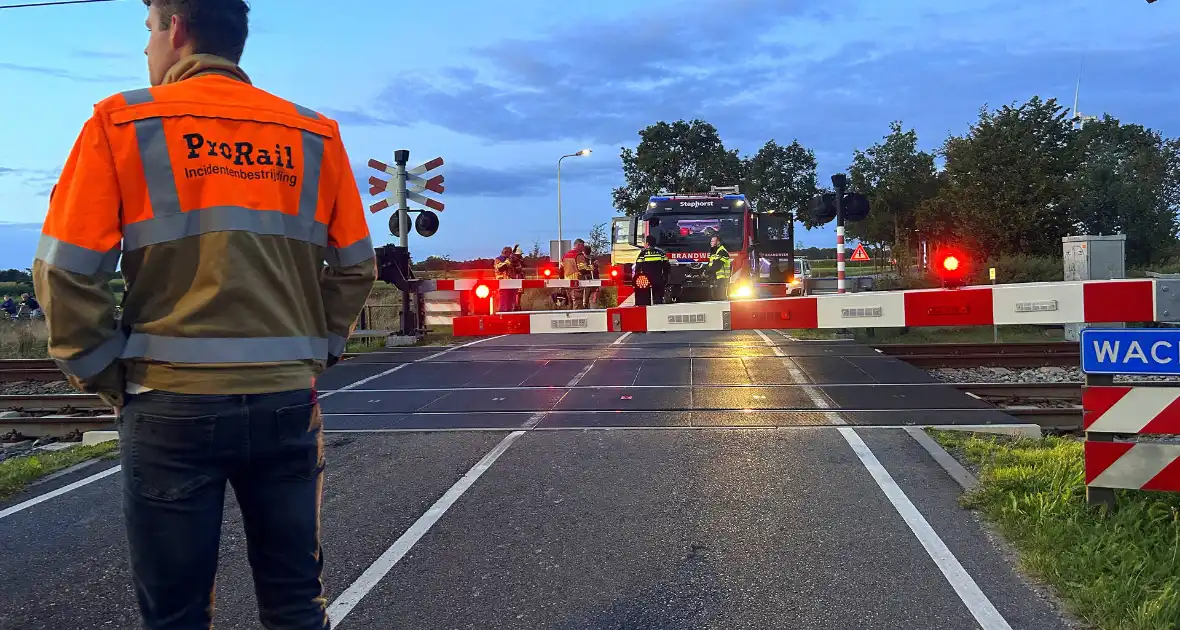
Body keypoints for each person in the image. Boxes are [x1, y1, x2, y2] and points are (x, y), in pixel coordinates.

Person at [31, 1, 375, 628]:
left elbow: (63, 270)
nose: (146, 50)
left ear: (178, 31)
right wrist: (317, 348)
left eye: (149, 31)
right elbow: (355, 267)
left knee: (178, 616)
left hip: (169, 406)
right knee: (297, 602)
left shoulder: (123, 124)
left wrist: (105, 374)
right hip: (285, 404)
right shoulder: (313, 134)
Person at [633, 235, 671, 306]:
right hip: (658, 278)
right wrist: (665, 277)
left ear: (647, 243)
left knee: (644, 300)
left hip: (646, 280)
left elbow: (638, 266)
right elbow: (666, 266)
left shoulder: (643, 253)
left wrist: (636, 277)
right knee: (658, 300)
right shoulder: (661, 253)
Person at [561, 239, 593, 309]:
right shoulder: (579, 255)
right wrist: (591, 267)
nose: (583, 248)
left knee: (570, 304)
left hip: (567, 283)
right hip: (577, 283)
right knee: (578, 304)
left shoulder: (566, 255)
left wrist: (562, 283)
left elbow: (561, 270)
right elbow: (582, 269)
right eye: (582, 246)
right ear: (578, 245)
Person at [493, 246, 517, 312]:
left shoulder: (510, 260)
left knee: (511, 303)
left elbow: (518, 270)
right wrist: (509, 260)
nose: (510, 255)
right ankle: (501, 316)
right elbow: (501, 268)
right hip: (502, 284)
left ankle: (510, 314)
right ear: (506, 252)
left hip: (511, 284)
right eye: (510, 253)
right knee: (503, 303)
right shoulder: (498, 259)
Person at [707, 235, 731, 300]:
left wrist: (706, 272)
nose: (711, 243)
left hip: (722, 278)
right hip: (717, 278)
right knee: (716, 298)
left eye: (713, 241)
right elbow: (711, 264)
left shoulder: (722, 251)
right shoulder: (715, 251)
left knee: (720, 297)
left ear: (718, 242)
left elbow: (717, 265)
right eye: (711, 241)